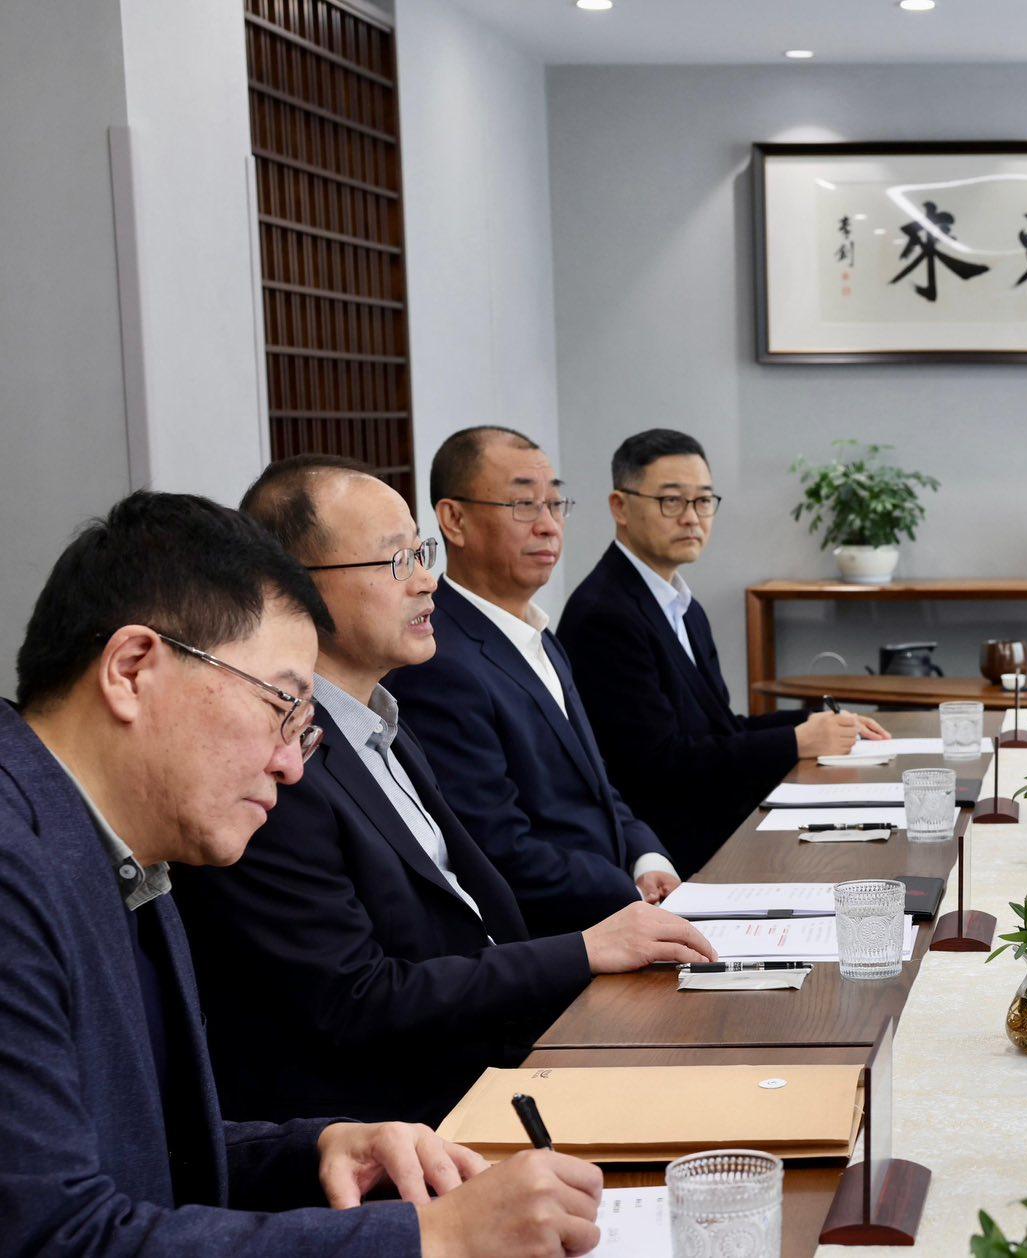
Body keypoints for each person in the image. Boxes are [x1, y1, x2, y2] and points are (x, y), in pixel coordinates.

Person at [0, 491, 605, 1256]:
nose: (290, 764)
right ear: (131, 669)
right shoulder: (15, 867)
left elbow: (143, 1152)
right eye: (281, 703)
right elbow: (57, 1238)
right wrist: (429, 1238)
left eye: (304, 726)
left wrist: (318, 1148)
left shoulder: (117, 847)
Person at [174, 457, 718, 1127]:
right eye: (397, 562)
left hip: (506, 1055)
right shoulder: (283, 765)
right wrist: (582, 951)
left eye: (421, 553)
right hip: (408, 1120)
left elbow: (477, 919)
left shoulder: (384, 721)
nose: (429, 581)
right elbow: (356, 1000)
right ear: (293, 589)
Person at [385, 426, 681, 937]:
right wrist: (626, 894)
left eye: (556, 504)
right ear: (454, 520)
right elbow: (496, 849)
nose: (548, 526)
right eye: (524, 504)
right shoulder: (439, 662)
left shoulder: (537, 631)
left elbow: (596, 786)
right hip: (558, 943)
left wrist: (646, 857)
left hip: (619, 908)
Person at [560, 430, 886, 875]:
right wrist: (794, 742)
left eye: (704, 501)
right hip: (673, 855)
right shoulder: (605, 614)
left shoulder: (681, 604)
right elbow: (657, 768)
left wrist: (814, 724)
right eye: (671, 501)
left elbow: (719, 729)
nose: (692, 518)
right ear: (620, 506)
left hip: (718, 826)